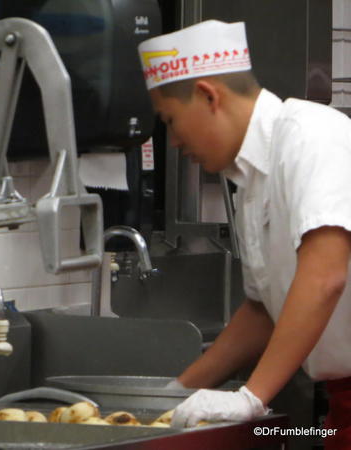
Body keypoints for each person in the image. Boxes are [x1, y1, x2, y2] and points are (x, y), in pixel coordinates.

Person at [138, 20, 351, 449]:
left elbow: (325, 276)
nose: (174, 141)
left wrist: (251, 398)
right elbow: (262, 311)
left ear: (207, 95)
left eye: (172, 121)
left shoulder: (310, 137)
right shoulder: (251, 180)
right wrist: (168, 402)